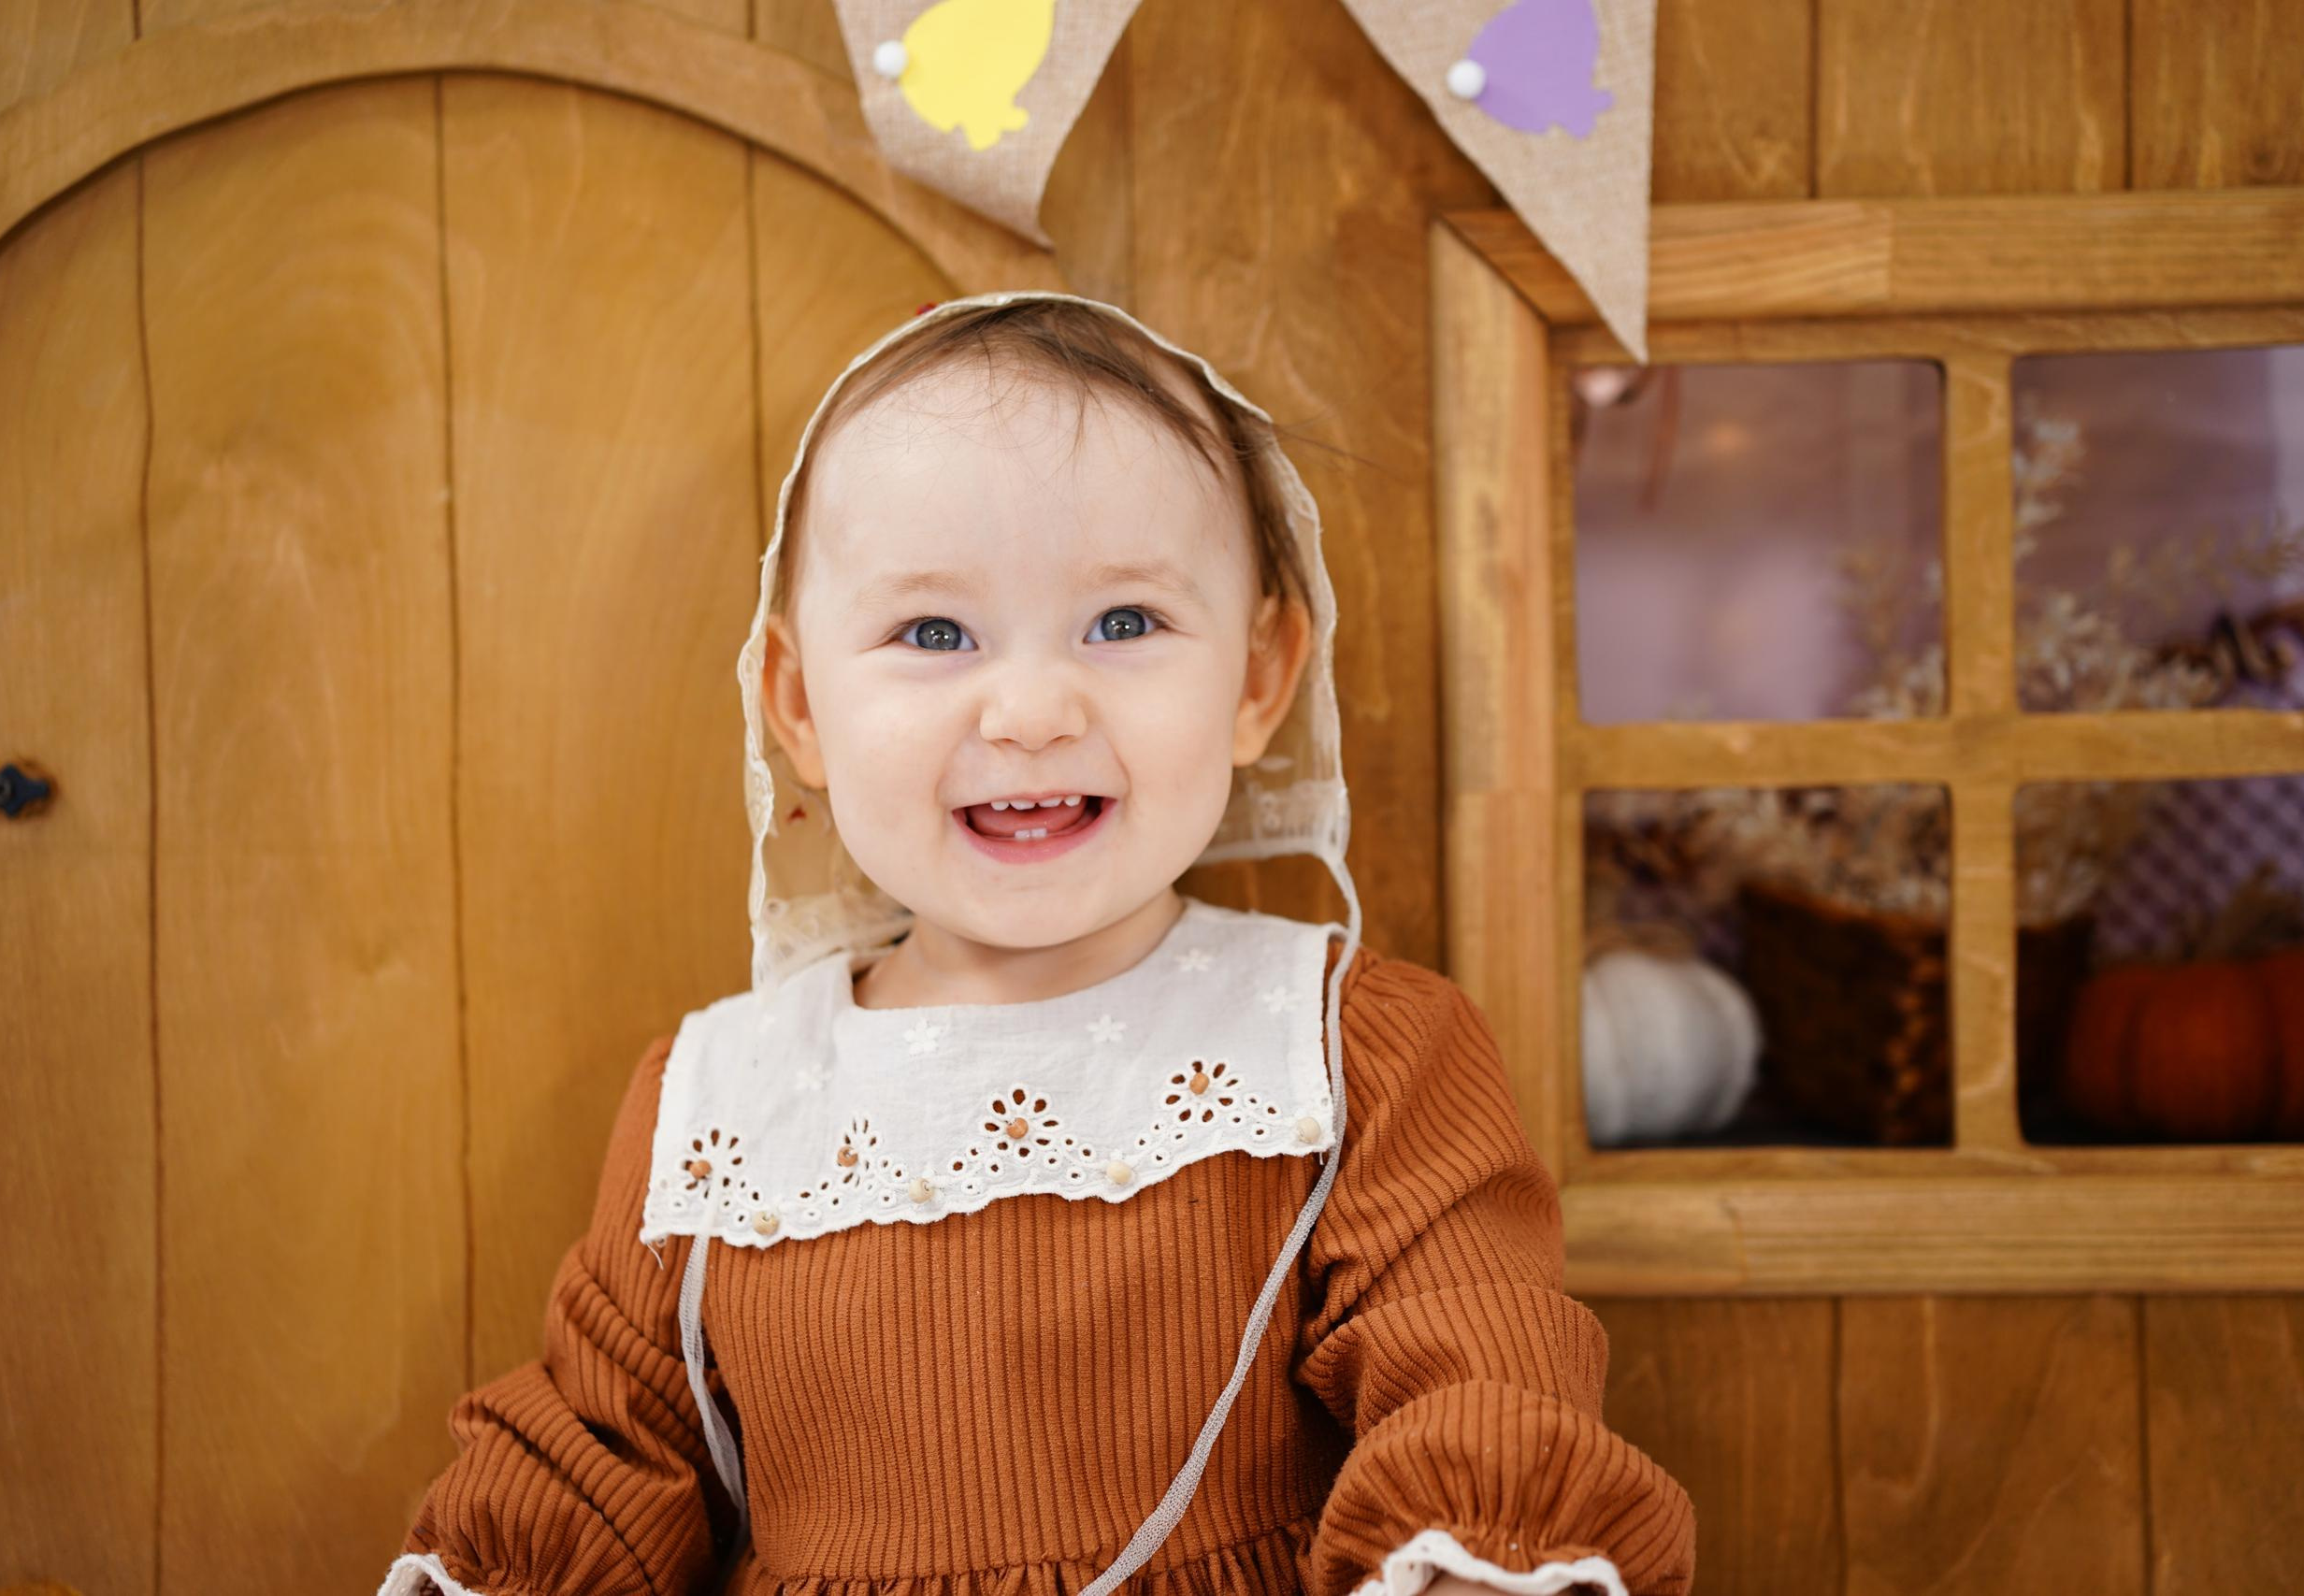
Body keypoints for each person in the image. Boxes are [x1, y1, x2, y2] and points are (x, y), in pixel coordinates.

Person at [377, 293, 1695, 1596]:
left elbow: (1476, 1371)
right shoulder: (721, 1100)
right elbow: (594, 1459)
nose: (1028, 711)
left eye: (1124, 624)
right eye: (934, 633)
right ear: (798, 707)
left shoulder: (1345, 1052)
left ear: (1256, 676)